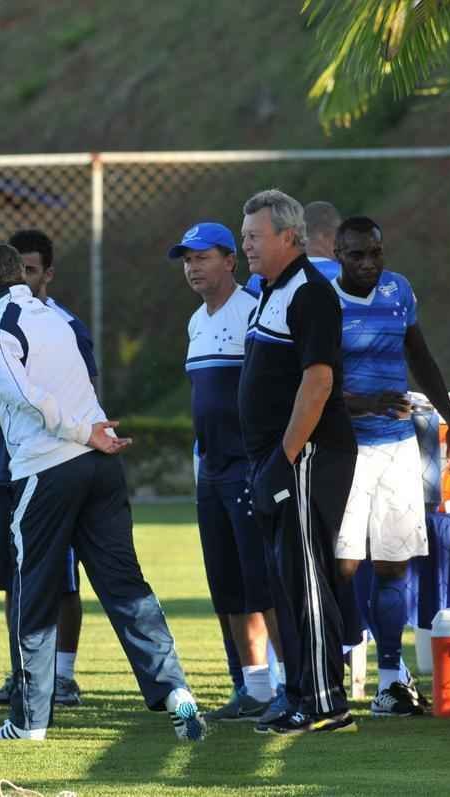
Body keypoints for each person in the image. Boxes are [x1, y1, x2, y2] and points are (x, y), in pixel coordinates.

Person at [0, 243, 207, 742]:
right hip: (99, 469)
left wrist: (84, 433)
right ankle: (176, 692)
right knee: (124, 584)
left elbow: (21, 394)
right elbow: (0, 392)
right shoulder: (52, 317)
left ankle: (29, 721)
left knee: (32, 593)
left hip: (51, 468)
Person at [329, 216, 450, 716]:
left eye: (375, 253)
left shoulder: (398, 291)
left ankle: (391, 680)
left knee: (393, 564)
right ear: (338, 255)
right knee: (342, 566)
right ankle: (329, 670)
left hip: (397, 448)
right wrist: (364, 403)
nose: (368, 263)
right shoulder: (323, 300)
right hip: (344, 451)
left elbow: (422, 358)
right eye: (356, 255)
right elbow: (312, 384)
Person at [238, 189, 358, 735]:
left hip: (307, 454)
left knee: (307, 575)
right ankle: (301, 692)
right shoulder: (270, 290)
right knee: (289, 576)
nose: (246, 246)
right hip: (280, 458)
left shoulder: (310, 292)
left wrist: (285, 457)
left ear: (289, 237)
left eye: (254, 237)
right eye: (244, 237)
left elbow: (319, 379)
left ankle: (326, 702)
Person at [167, 221, 282, 722]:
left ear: (230, 261)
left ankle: (291, 684)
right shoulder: (195, 321)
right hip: (210, 469)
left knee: (263, 583)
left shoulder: (253, 311)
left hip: (247, 467)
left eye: (203, 257)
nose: (193, 267)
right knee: (228, 584)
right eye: (187, 259)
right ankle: (254, 687)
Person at [0, 229, 92, 708]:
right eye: (14, 269)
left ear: (46, 274)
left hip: (51, 463)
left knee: (60, 577)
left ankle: (62, 676)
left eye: (29, 269)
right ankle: (21, 672)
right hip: (4, 463)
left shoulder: (63, 326)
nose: (19, 278)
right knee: (12, 573)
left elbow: (76, 394)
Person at [246, 200, 341, 294]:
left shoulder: (259, 277)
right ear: (324, 236)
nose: (341, 242)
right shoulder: (344, 276)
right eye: (339, 235)